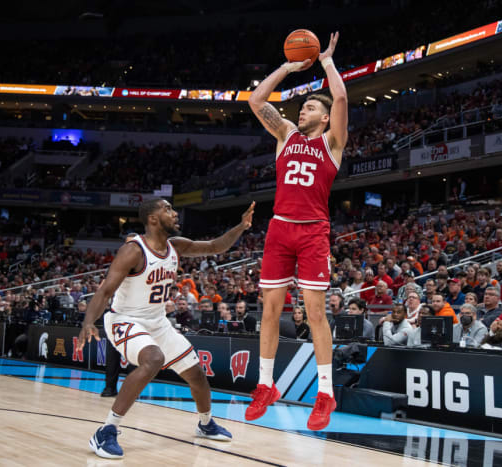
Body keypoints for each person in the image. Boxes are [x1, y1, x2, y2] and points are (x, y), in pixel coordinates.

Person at [78, 199, 254, 458]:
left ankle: (205, 424)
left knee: (197, 375)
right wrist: (88, 321)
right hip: (125, 320)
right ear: (152, 218)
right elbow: (105, 291)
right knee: (153, 359)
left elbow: (215, 246)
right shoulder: (133, 251)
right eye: (168, 209)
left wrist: (241, 227)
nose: (174, 213)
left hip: (157, 322)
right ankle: (106, 431)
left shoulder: (176, 246)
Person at [247, 32, 348, 431]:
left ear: (323, 118)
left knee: (316, 312)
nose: (301, 111)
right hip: (279, 229)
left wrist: (326, 62)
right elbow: (257, 101)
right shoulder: (285, 134)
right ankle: (265, 384)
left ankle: (325, 393)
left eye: (310, 107)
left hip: (313, 232)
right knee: (270, 310)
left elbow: (340, 98)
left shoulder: (333, 143)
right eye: (301, 106)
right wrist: (288, 67)